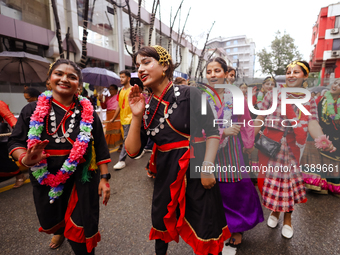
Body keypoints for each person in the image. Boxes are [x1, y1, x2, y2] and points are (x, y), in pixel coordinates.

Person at [125, 45, 230, 255]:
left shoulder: (191, 93)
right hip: (166, 174)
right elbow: (133, 151)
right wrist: (136, 116)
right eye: (138, 66)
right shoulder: (145, 106)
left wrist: (207, 168)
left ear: (164, 65)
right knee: (160, 225)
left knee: (206, 227)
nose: (141, 69)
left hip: (197, 169)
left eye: (146, 62)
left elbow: (212, 132)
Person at [8, 59, 111, 254]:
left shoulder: (87, 111)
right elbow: (15, 142)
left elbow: (101, 145)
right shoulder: (31, 110)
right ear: (49, 80)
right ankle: (61, 230)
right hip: (46, 175)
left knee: (81, 228)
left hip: (82, 177)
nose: (65, 79)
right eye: (59, 74)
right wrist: (26, 159)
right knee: (52, 218)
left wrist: (105, 178)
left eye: (72, 77)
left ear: (78, 85)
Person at [254, 60, 336, 239]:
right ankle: (275, 212)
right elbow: (260, 117)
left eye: (296, 72)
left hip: (293, 148)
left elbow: (312, 122)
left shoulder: (310, 101)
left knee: (289, 185)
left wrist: (321, 140)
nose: (291, 75)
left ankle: (288, 220)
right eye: (288, 71)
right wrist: (248, 139)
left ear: (305, 76)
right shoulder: (272, 95)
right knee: (269, 184)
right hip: (270, 146)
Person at [205, 57, 263, 247]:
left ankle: (237, 227)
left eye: (217, 71)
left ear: (225, 73)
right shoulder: (202, 97)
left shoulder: (236, 97)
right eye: (209, 71)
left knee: (235, 190)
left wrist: (248, 144)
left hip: (231, 150)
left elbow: (246, 121)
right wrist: (222, 131)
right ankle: (219, 227)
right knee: (213, 191)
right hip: (208, 150)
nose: (212, 75)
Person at [302, 79, 340, 196]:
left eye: (339, 85)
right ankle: (320, 184)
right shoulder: (322, 100)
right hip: (323, 134)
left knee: (334, 162)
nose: (336, 86)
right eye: (335, 83)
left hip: (337, 136)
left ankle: (333, 186)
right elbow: (316, 118)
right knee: (320, 159)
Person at [109, 70, 132, 170]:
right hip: (123, 120)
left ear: (128, 78)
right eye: (120, 77)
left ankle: (121, 160)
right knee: (128, 138)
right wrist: (113, 118)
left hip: (131, 119)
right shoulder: (120, 91)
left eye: (123, 77)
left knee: (126, 139)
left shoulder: (133, 90)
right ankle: (140, 150)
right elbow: (118, 106)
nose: (121, 79)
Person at [0, 100, 26, 188]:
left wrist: (19, 132)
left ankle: (19, 175)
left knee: (3, 159)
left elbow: (10, 117)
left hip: (0, 139)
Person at [99, 84, 123, 150]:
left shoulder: (119, 96)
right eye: (109, 89)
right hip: (109, 115)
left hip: (117, 115)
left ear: (116, 90)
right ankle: (107, 147)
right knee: (108, 131)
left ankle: (121, 146)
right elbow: (104, 107)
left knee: (118, 131)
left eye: (112, 89)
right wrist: (101, 100)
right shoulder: (107, 97)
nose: (110, 90)